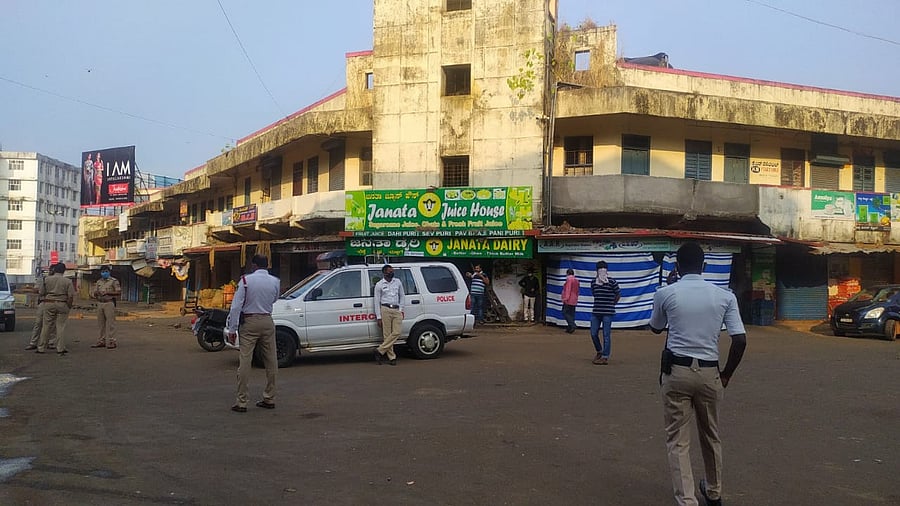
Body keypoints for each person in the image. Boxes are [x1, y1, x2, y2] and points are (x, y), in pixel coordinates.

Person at [649, 242, 747, 506]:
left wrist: (669, 287)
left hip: (676, 372)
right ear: (703, 266)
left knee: (678, 439)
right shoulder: (725, 296)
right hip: (709, 372)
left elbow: (656, 328)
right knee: (711, 435)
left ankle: (687, 500)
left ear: (677, 266)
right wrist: (726, 375)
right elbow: (740, 340)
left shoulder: (665, 293)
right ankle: (713, 492)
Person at [225, 255, 281, 413]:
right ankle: (270, 397)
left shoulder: (245, 281)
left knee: (245, 360)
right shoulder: (275, 281)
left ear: (254, 265)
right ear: (267, 265)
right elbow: (274, 299)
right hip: (267, 320)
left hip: (249, 322)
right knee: (271, 360)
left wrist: (232, 329)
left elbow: (236, 307)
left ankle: (242, 401)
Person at [36, 263, 75, 355]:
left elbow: (41, 293)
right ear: (64, 271)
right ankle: (60, 348)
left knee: (46, 326)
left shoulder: (46, 279)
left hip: (49, 303)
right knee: (60, 327)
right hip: (62, 303)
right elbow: (71, 296)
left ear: (54, 270)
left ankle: (41, 347)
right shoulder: (68, 281)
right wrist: (68, 306)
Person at [373, 264, 405, 366]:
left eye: (392, 271)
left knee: (397, 332)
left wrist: (401, 309)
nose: (392, 273)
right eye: (389, 271)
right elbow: (376, 301)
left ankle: (380, 350)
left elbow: (402, 296)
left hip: (396, 309)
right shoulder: (379, 285)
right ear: (384, 273)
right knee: (387, 335)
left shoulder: (398, 282)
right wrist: (378, 317)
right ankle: (392, 357)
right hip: (385, 309)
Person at [589, 260, 620, 365]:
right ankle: (599, 351)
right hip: (596, 311)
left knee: (606, 335)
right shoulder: (593, 282)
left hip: (608, 312)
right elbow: (594, 294)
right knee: (593, 333)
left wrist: (612, 304)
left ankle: (605, 356)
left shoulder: (612, 282)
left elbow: (618, 294)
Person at [90, 265, 122, 349]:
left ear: (109, 272)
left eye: (106, 271)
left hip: (109, 303)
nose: (104, 273)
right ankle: (101, 341)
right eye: (103, 272)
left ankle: (112, 341)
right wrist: (96, 293)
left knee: (111, 323)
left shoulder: (113, 281)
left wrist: (108, 293)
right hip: (100, 303)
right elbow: (94, 293)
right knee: (101, 324)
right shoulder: (99, 282)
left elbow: (118, 292)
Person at [25, 273, 56, 351]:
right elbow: (37, 290)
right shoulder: (42, 279)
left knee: (52, 324)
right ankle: (33, 343)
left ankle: (50, 342)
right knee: (38, 323)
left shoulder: (58, 280)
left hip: (52, 303)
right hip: (44, 302)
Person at [561, 268, 580, 334]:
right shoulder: (576, 280)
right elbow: (577, 290)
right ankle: (570, 328)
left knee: (565, 312)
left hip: (569, 299)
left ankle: (572, 324)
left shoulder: (569, 279)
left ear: (567, 273)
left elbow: (568, 289)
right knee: (571, 314)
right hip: (574, 299)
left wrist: (565, 298)